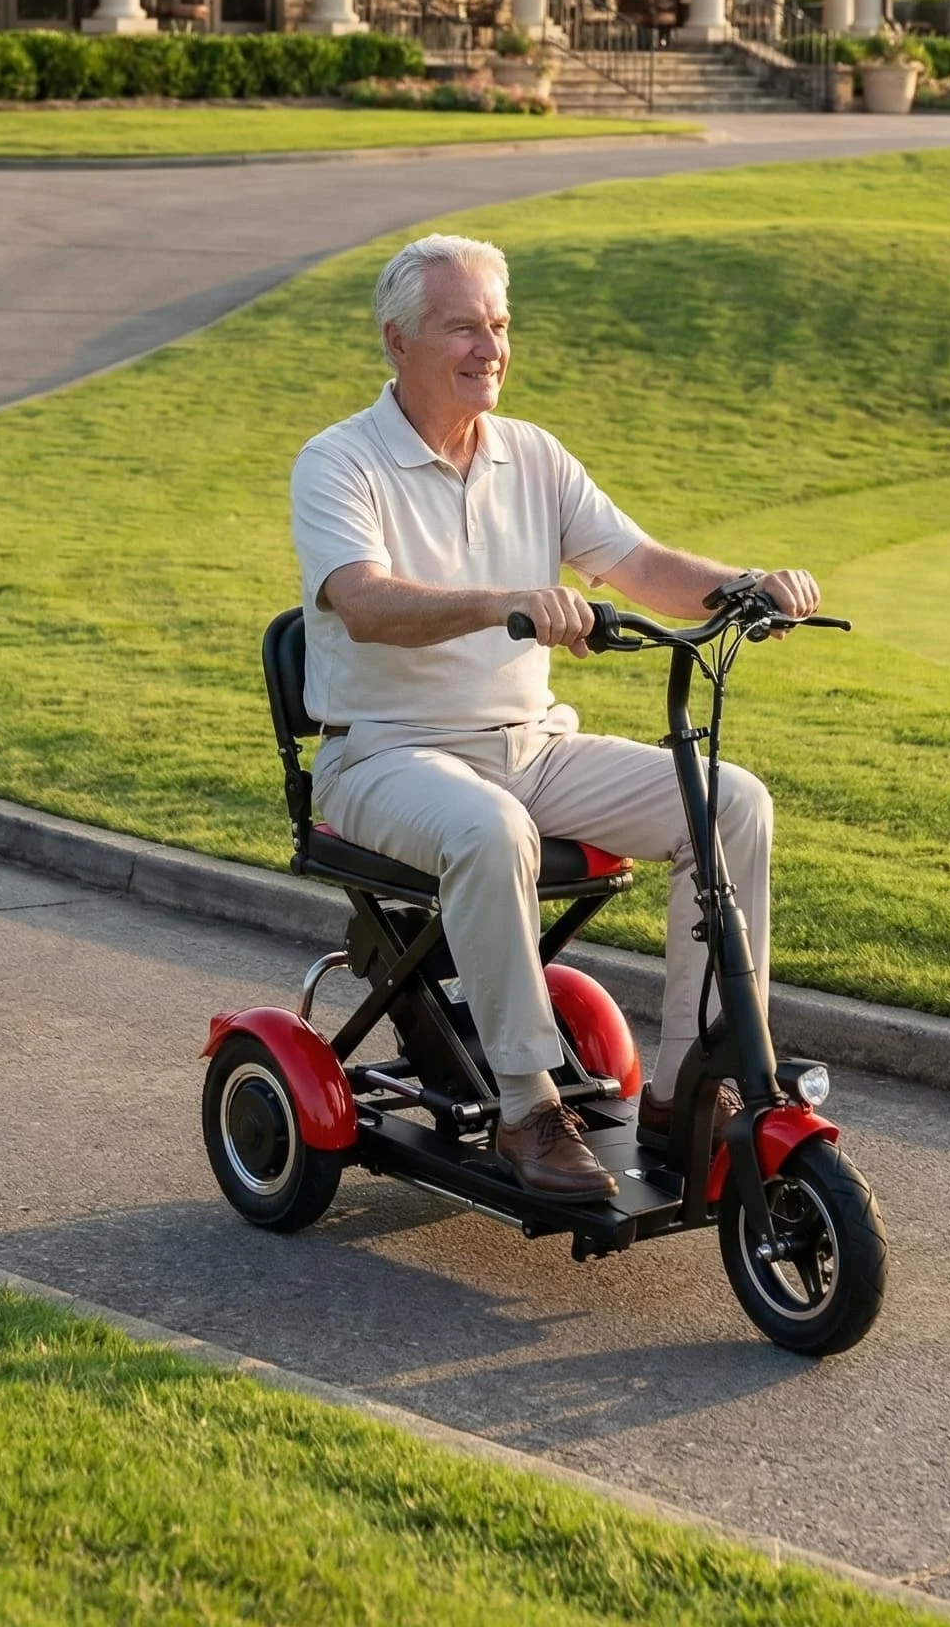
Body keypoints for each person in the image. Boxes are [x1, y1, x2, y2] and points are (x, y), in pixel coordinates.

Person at [289, 233, 819, 1200]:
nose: (489, 346)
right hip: (385, 758)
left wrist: (743, 585)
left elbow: (640, 564)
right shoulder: (339, 462)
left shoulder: (532, 454)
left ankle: (689, 1089)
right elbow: (362, 601)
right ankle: (528, 1109)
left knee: (732, 801)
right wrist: (506, 603)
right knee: (492, 830)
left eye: (499, 324)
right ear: (397, 341)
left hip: (531, 748)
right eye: (462, 327)